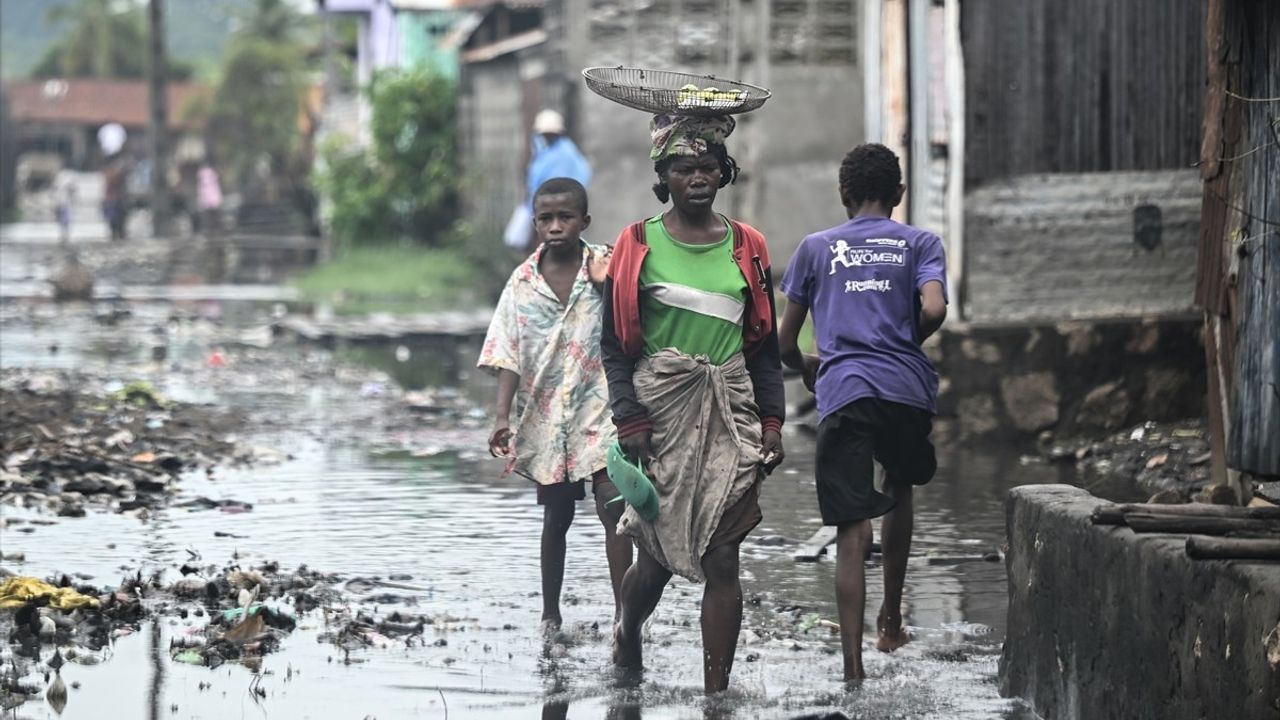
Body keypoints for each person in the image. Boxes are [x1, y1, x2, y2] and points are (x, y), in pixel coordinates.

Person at [600, 113, 786, 694]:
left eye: (709, 166)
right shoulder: (635, 244)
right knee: (652, 558)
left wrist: (773, 424)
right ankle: (628, 631)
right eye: (685, 167)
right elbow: (612, 345)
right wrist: (628, 414)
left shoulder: (748, 246)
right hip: (660, 414)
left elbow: (764, 347)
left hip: (731, 412)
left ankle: (716, 695)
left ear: (724, 172)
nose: (698, 177)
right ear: (665, 176)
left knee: (723, 556)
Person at [776, 143, 948, 682]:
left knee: (852, 528)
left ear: (844, 195)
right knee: (898, 487)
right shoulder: (921, 242)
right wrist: (902, 340)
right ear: (899, 194)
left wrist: (808, 365)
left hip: (844, 390)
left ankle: (852, 668)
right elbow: (936, 308)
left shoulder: (815, 248)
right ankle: (891, 622)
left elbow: (783, 343)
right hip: (904, 390)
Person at [478, 177, 633, 634]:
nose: (555, 226)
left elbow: (638, 318)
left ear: (584, 221)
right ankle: (550, 613)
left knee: (615, 509)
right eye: (545, 218)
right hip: (547, 418)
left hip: (602, 408)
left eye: (565, 217)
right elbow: (508, 351)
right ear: (535, 224)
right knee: (557, 516)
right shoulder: (522, 282)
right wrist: (503, 417)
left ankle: (624, 617)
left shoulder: (607, 266)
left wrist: (610, 286)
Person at [506, 110, 593, 253]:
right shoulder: (543, 153)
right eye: (544, 134)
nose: (546, 138)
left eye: (550, 134)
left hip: (564, 204)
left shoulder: (565, 153)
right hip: (539, 205)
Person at [197, 161, 224, 235]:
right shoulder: (207, 173)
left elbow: (203, 187)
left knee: (212, 216)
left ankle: (213, 230)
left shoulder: (205, 173)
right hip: (211, 198)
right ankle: (212, 230)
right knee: (212, 216)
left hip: (211, 197)